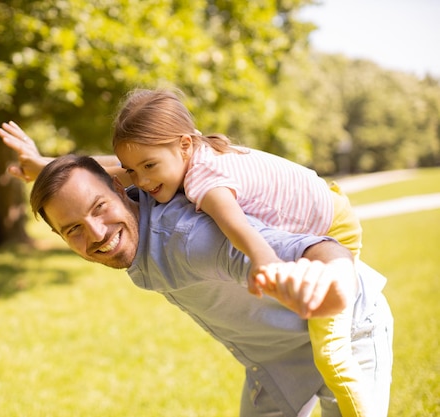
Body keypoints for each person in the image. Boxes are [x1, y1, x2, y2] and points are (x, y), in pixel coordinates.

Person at [0, 129, 393, 416]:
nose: (97, 234)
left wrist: (330, 284)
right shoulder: (140, 198)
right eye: (73, 230)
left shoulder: (189, 238)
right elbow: (99, 176)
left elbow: (322, 249)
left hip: (347, 330)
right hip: (275, 361)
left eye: (99, 208)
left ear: (121, 190)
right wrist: (44, 166)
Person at [110, 88, 368, 416]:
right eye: (132, 171)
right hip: (329, 200)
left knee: (331, 355)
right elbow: (117, 166)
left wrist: (265, 262)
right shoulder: (199, 149)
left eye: (149, 165)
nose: (141, 181)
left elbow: (236, 226)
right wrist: (46, 167)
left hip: (332, 230)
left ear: (184, 145)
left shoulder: (205, 182)